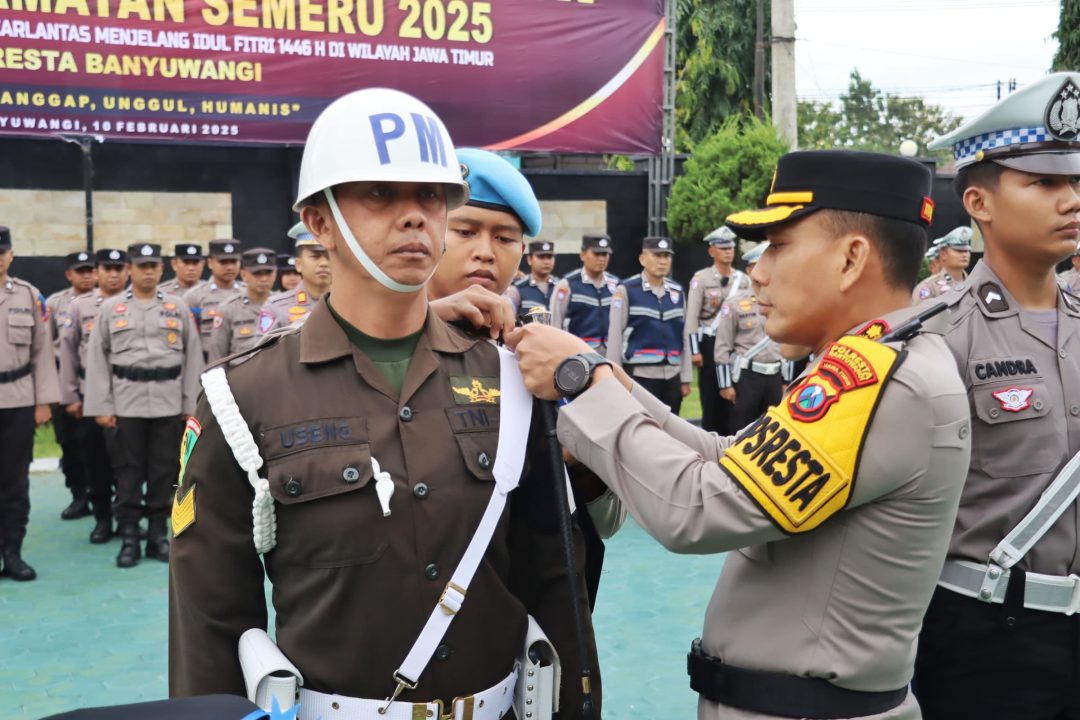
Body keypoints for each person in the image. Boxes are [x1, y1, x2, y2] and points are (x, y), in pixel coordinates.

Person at [169, 89, 599, 720]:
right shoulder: (241, 397)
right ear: (319, 222)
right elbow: (211, 626)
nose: (412, 216)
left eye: (429, 196)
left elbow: (553, 579)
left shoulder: (508, 381)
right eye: (378, 193)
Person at [509, 149, 973, 720]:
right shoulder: (879, 361)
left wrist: (577, 380)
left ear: (852, 258)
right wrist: (609, 378)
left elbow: (695, 508)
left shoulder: (878, 381)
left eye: (779, 247)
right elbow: (729, 457)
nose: (758, 270)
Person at [912, 71, 1080, 720]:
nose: (1071, 199)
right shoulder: (938, 337)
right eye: (1044, 183)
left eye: (1076, 181)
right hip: (983, 637)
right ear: (978, 203)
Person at [84, 243, 203, 568]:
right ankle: (129, 538)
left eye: (153, 265)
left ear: (161, 269)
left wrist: (190, 404)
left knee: (164, 472)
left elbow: (193, 357)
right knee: (128, 474)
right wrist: (102, 407)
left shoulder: (176, 307)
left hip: (167, 402)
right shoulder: (111, 309)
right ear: (130, 270)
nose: (148, 271)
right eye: (141, 265)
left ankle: (157, 536)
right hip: (126, 404)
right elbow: (97, 359)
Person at [0, 226, 60, 581]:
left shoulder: (29, 295)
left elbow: (42, 351)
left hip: (19, 399)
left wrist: (44, 403)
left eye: (2, 251)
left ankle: (13, 552)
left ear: (10, 255)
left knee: (15, 481)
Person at [59, 248, 130, 545]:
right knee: (96, 461)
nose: (113, 274)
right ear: (98, 271)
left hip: (130, 397)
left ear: (127, 271)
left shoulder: (137, 303)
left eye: (118, 268)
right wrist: (70, 396)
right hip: (91, 398)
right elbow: (67, 353)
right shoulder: (79, 306)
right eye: (107, 268)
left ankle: (128, 518)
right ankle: (102, 518)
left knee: (129, 464)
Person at [605, 236, 691, 413]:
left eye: (666, 256)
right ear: (642, 259)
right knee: (643, 429)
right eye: (657, 255)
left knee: (672, 432)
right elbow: (615, 336)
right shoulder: (626, 290)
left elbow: (685, 335)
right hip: (641, 376)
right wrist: (614, 376)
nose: (662, 261)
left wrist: (685, 377)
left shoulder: (677, 292)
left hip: (672, 375)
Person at [713, 242, 791, 432]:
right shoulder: (734, 303)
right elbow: (722, 346)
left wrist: (785, 381)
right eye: (757, 265)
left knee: (772, 429)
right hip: (747, 377)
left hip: (774, 375)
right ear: (749, 270)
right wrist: (725, 384)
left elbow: (786, 342)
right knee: (742, 428)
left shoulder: (782, 300)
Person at [685, 227, 751, 434]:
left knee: (737, 399)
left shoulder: (743, 279)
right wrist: (695, 351)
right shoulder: (701, 279)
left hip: (736, 345)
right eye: (722, 248)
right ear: (711, 251)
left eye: (730, 247)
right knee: (712, 398)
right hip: (710, 342)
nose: (728, 252)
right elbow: (692, 317)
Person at [47, 250, 96, 520]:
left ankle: (104, 493)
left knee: (100, 444)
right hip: (62, 382)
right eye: (81, 271)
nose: (87, 275)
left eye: (90, 270)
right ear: (69, 275)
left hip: (94, 382)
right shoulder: (54, 303)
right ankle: (78, 495)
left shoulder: (104, 302)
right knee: (69, 442)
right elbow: (47, 345)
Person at [550, 234, 619, 353]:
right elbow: (555, 323)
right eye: (596, 254)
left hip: (610, 354)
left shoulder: (616, 285)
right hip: (580, 353)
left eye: (605, 254)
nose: (601, 259)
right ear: (582, 255)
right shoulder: (568, 284)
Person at [206, 248, 277, 363]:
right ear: (244, 275)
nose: (264, 279)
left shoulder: (282, 306)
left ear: (275, 273)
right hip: (239, 377)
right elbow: (217, 355)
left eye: (268, 273)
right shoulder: (228, 309)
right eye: (257, 273)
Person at [260, 223, 332, 330]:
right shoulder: (276, 307)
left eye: (329, 256)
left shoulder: (351, 304)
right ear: (298, 264)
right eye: (315, 256)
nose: (324, 263)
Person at [184, 239, 243, 346]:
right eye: (223, 262)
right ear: (210, 263)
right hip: (208, 359)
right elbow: (189, 338)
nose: (230, 267)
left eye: (234, 262)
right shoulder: (194, 296)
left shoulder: (246, 293)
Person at [911, 226, 972, 302]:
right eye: (959, 250)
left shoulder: (974, 284)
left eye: (967, 251)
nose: (964, 255)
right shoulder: (930, 287)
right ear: (943, 254)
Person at [505, 240, 558, 319]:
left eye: (549, 257)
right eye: (541, 257)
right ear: (530, 259)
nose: (546, 262)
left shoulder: (560, 286)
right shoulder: (518, 288)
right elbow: (508, 317)